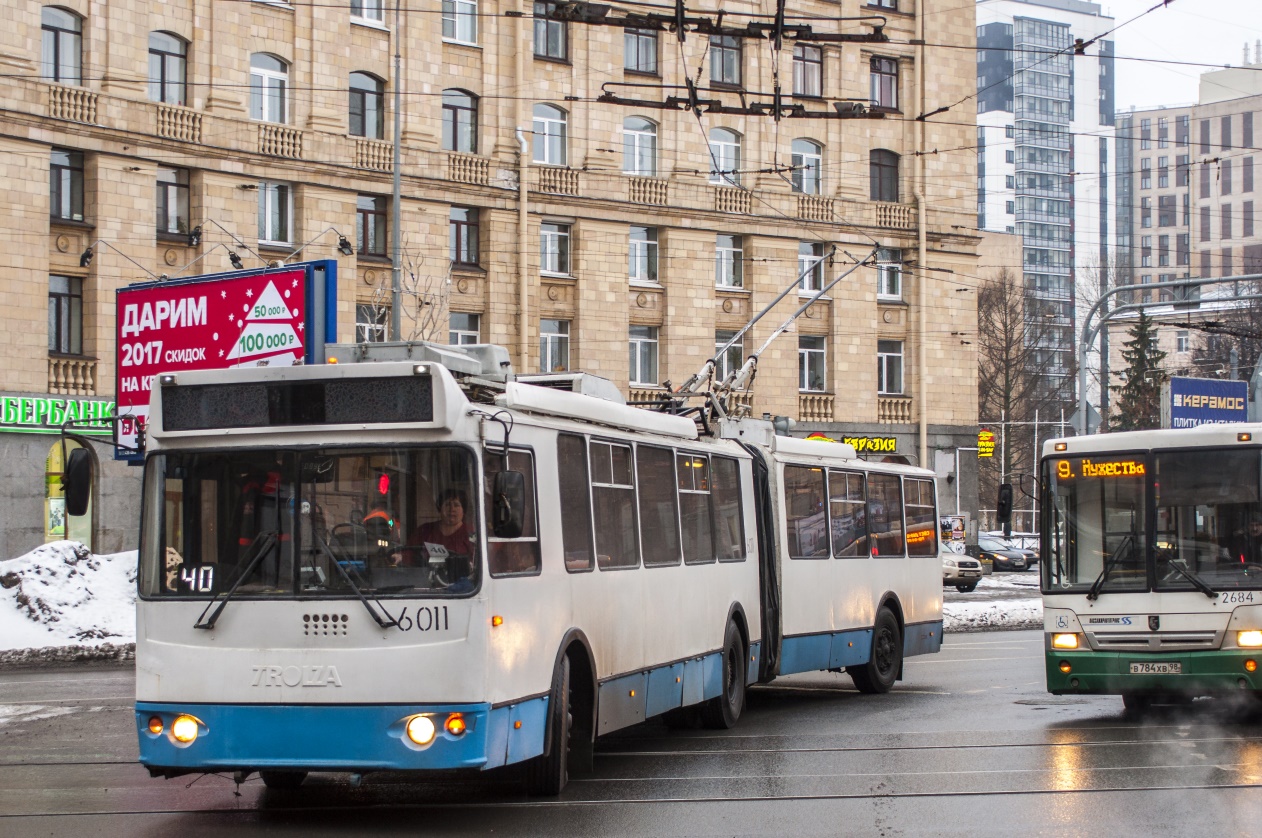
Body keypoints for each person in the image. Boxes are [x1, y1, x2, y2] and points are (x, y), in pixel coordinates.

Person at [395, 489, 474, 574]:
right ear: (440, 508)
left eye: (456, 505)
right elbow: (408, 553)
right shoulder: (425, 530)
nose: (452, 509)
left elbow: (475, 563)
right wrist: (401, 557)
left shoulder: (471, 534)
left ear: (463, 510)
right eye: (447, 505)